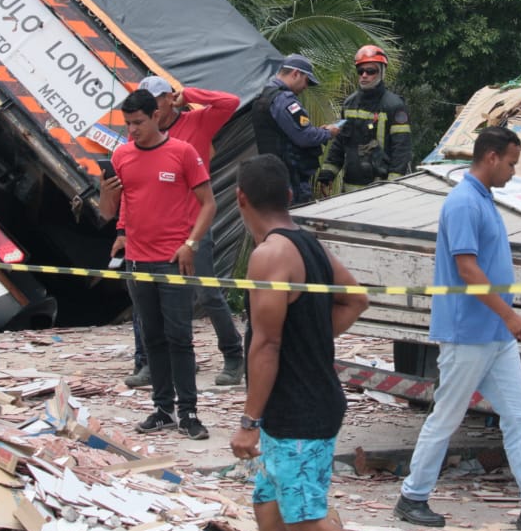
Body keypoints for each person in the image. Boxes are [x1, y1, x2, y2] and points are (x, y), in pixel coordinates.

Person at [393, 127, 521, 531]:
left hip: (494, 334)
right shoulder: (464, 202)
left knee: (519, 415)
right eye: (512, 163)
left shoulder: (483, 199)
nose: (514, 171)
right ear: (492, 157)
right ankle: (412, 496)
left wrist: (504, 319)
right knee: (447, 415)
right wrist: (509, 315)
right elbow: (467, 269)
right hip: (469, 331)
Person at [229, 154, 375, 531]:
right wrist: (309, 339)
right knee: (269, 510)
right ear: (289, 196)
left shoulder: (270, 255)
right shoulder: (307, 242)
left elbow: (267, 344)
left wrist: (248, 423)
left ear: (241, 199)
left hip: (299, 411)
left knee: (305, 520)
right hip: (301, 404)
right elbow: (357, 299)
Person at [119, 76, 245, 389]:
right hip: (153, 234)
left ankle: (233, 355)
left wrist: (188, 94)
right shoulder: (138, 141)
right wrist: (122, 228)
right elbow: (130, 191)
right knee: (146, 298)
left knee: (207, 293)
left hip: (192, 228)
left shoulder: (197, 122)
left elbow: (230, 101)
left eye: (158, 98)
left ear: (169, 99)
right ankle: (147, 362)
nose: (154, 106)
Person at [111, 89, 217, 440]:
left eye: (138, 122)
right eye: (127, 124)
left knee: (180, 338)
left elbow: (208, 204)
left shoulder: (182, 153)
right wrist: (113, 213)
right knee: (152, 337)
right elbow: (111, 209)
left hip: (173, 260)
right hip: (138, 262)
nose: (132, 130)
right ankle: (162, 409)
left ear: (156, 116)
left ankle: (189, 412)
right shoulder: (121, 156)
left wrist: (191, 243)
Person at [318, 45, 412, 196]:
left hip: (382, 191)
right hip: (350, 188)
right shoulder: (349, 104)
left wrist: (393, 186)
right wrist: (327, 175)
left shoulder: (394, 105)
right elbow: (339, 143)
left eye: (370, 71)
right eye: (360, 71)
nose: (364, 75)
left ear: (381, 72)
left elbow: (401, 149)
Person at [250, 54, 339, 205]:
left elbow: (287, 132)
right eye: (306, 81)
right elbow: (305, 137)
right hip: (291, 178)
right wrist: (329, 132)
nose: (306, 87)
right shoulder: (285, 100)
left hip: (272, 174)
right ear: (296, 74)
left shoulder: (263, 96)